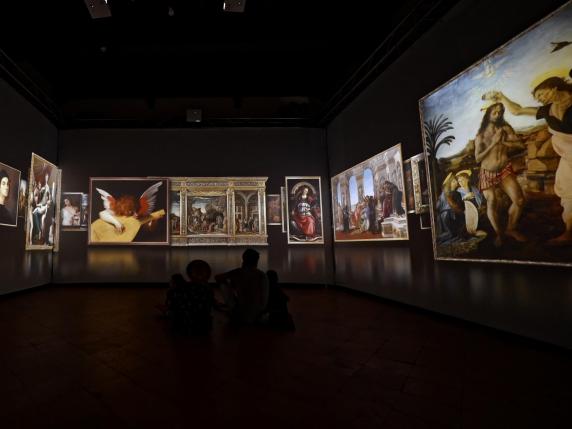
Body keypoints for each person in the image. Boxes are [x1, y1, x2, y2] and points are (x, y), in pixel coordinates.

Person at [484, 74, 572, 243]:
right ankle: (569, 233)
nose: (540, 99)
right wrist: (501, 96)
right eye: (538, 98)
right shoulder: (548, 110)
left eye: (541, 94)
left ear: (554, 87)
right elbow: (517, 111)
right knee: (568, 192)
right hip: (569, 158)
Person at [474, 102, 527, 246]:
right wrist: (493, 144)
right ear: (488, 114)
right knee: (492, 201)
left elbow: (520, 145)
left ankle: (511, 229)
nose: (497, 115)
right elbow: (477, 158)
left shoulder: (506, 129)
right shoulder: (481, 135)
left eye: (500, 112)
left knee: (519, 200)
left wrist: (505, 143)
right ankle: (499, 234)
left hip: (504, 170)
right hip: (487, 173)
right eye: (494, 112)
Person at [215, 248, 269, 325]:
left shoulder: (238, 272)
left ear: (244, 259)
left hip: (241, 312)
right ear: (256, 261)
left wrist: (232, 284)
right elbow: (264, 298)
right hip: (257, 313)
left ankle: (233, 311)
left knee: (223, 283)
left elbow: (217, 277)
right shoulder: (262, 275)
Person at [164, 260, 214, 334]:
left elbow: (174, 306)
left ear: (189, 274)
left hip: (182, 327)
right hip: (203, 328)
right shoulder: (208, 290)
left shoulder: (178, 290)